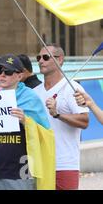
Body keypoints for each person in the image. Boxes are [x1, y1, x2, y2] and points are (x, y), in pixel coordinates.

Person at [0, 54, 55, 190]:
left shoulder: (30, 98)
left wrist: (26, 121)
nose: (2, 75)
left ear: (19, 76)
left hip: (22, 171)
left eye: (7, 72)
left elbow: (46, 137)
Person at [33, 44, 89, 190]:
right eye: (38, 57)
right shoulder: (34, 92)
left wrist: (58, 114)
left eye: (46, 57)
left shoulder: (73, 88)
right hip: (38, 165)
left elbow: (84, 121)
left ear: (60, 60)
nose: (40, 61)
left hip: (64, 164)